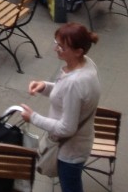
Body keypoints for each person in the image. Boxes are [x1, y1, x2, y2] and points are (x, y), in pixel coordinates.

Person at [20, 23, 101, 192]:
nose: (56, 48)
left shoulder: (75, 83)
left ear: (78, 51)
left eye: (62, 47)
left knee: (70, 187)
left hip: (70, 150)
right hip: (81, 141)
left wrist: (33, 117)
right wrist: (45, 86)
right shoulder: (85, 63)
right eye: (56, 43)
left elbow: (67, 128)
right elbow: (63, 93)